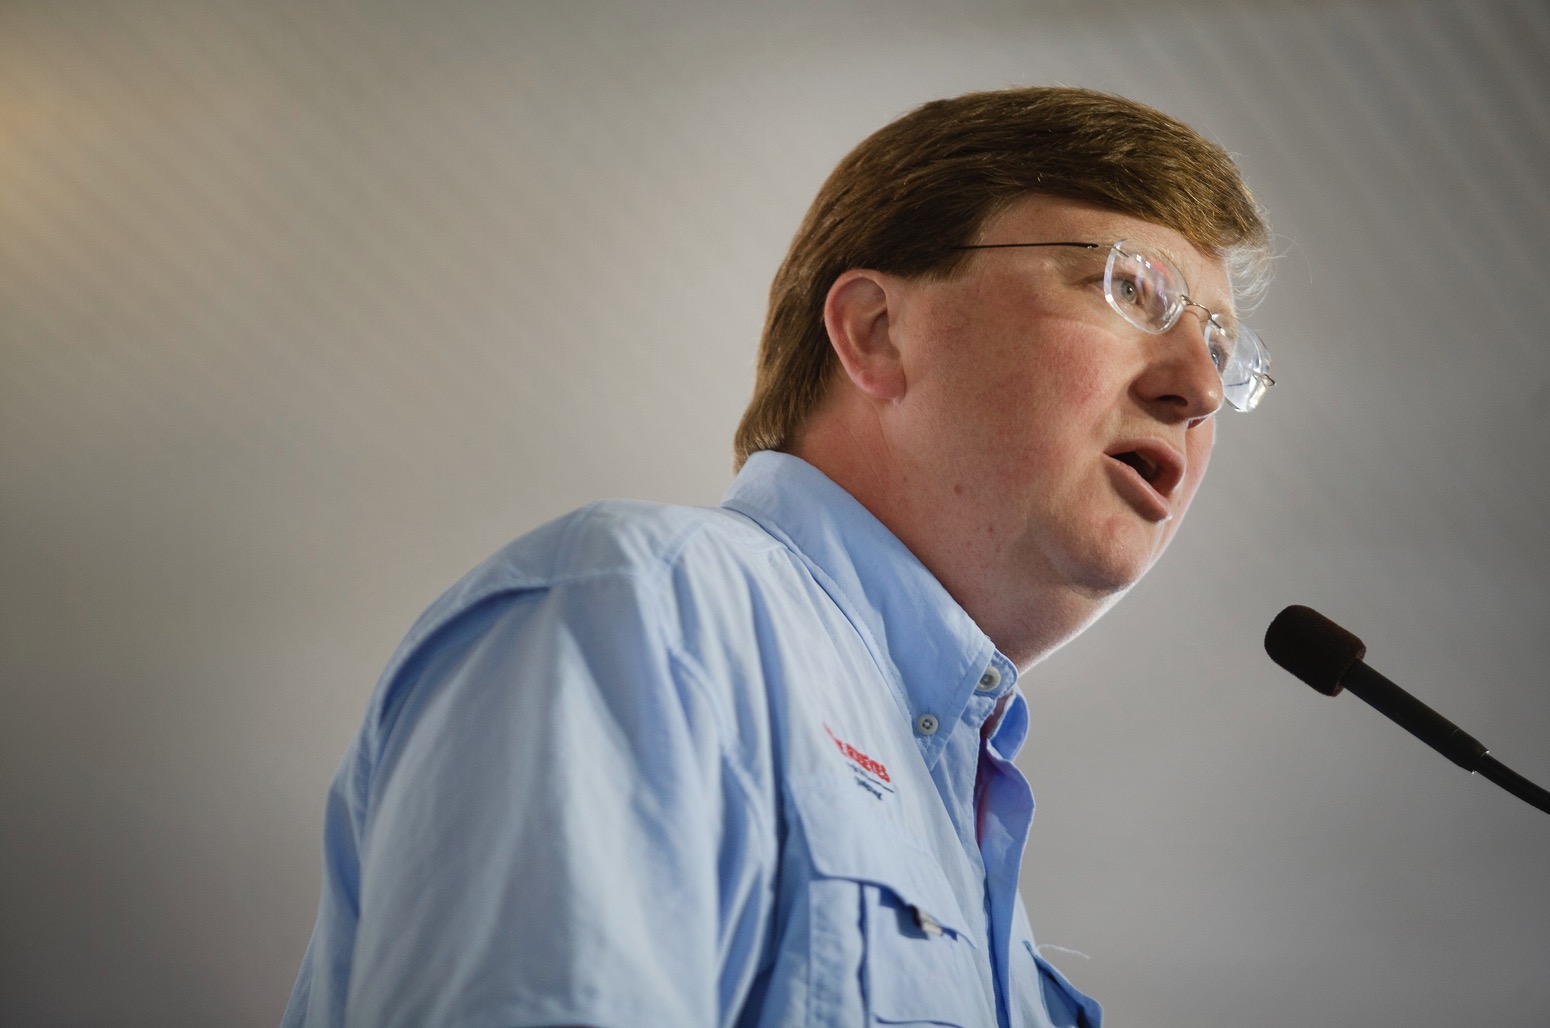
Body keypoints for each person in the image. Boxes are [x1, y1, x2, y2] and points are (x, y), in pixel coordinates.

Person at [282, 86, 1273, 1028]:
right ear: (876, 332)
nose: (1196, 386)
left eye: (1223, 353)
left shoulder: (972, 853)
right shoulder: (649, 611)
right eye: (1129, 289)